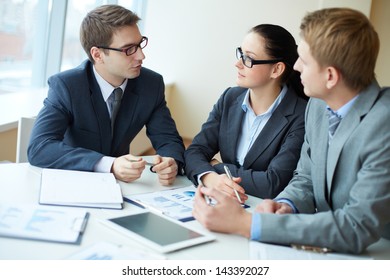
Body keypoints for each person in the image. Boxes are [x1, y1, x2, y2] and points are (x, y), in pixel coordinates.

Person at [192, 7, 390, 254]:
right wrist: (286, 205)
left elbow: (357, 226)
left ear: (330, 76)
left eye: (304, 61)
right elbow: (305, 178)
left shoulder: (384, 124)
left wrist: (247, 223)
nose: (295, 67)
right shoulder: (317, 105)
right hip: (331, 249)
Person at [27, 5, 185, 185]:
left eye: (140, 44)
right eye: (129, 49)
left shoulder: (151, 84)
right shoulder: (67, 86)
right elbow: (39, 148)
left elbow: (168, 139)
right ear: (98, 54)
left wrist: (171, 161)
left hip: (123, 187)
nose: (141, 55)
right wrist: (109, 164)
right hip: (72, 181)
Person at [185, 24, 307, 200]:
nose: (238, 63)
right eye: (240, 53)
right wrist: (209, 177)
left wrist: (218, 167)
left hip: (262, 211)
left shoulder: (301, 115)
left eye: (248, 58)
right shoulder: (230, 97)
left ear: (276, 69)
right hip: (223, 200)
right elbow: (194, 151)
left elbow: (272, 183)